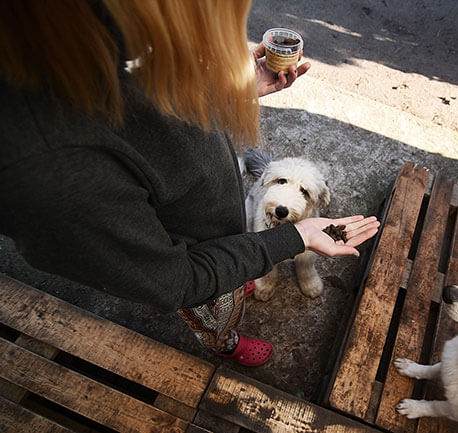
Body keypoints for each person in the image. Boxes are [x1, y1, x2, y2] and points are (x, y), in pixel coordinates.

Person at [0, 0, 379, 366]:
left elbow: (150, 121)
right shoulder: (48, 170)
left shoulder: (101, 46)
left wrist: (222, 89)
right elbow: (175, 283)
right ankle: (225, 343)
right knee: (216, 313)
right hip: (200, 267)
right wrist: (294, 239)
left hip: (222, 238)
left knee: (239, 278)